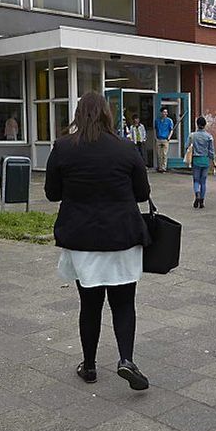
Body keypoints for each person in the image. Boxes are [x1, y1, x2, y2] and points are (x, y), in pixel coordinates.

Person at [44, 92, 151, 392]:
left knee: (89, 305)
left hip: (82, 239)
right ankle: (126, 360)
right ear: (107, 114)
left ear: (78, 115)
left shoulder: (64, 147)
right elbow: (142, 193)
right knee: (124, 303)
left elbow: (52, 193)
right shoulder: (125, 148)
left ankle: (89, 366)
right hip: (122, 238)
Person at [188, 116, 215, 209]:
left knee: (196, 180)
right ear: (205, 125)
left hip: (196, 159)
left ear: (197, 124)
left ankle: (197, 194)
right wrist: (214, 161)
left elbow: (186, 146)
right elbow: (211, 151)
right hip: (205, 160)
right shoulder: (209, 137)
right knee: (203, 182)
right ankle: (202, 201)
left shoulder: (192, 135)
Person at [154, 108, 175, 172]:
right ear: (161, 113)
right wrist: (155, 137)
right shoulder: (157, 120)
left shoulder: (169, 120)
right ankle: (159, 167)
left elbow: (171, 130)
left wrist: (169, 137)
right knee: (159, 154)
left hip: (165, 139)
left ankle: (164, 167)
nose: (165, 113)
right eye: (164, 112)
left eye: (166, 112)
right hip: (159, 139)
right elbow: (155, 129)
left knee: (164, 154)